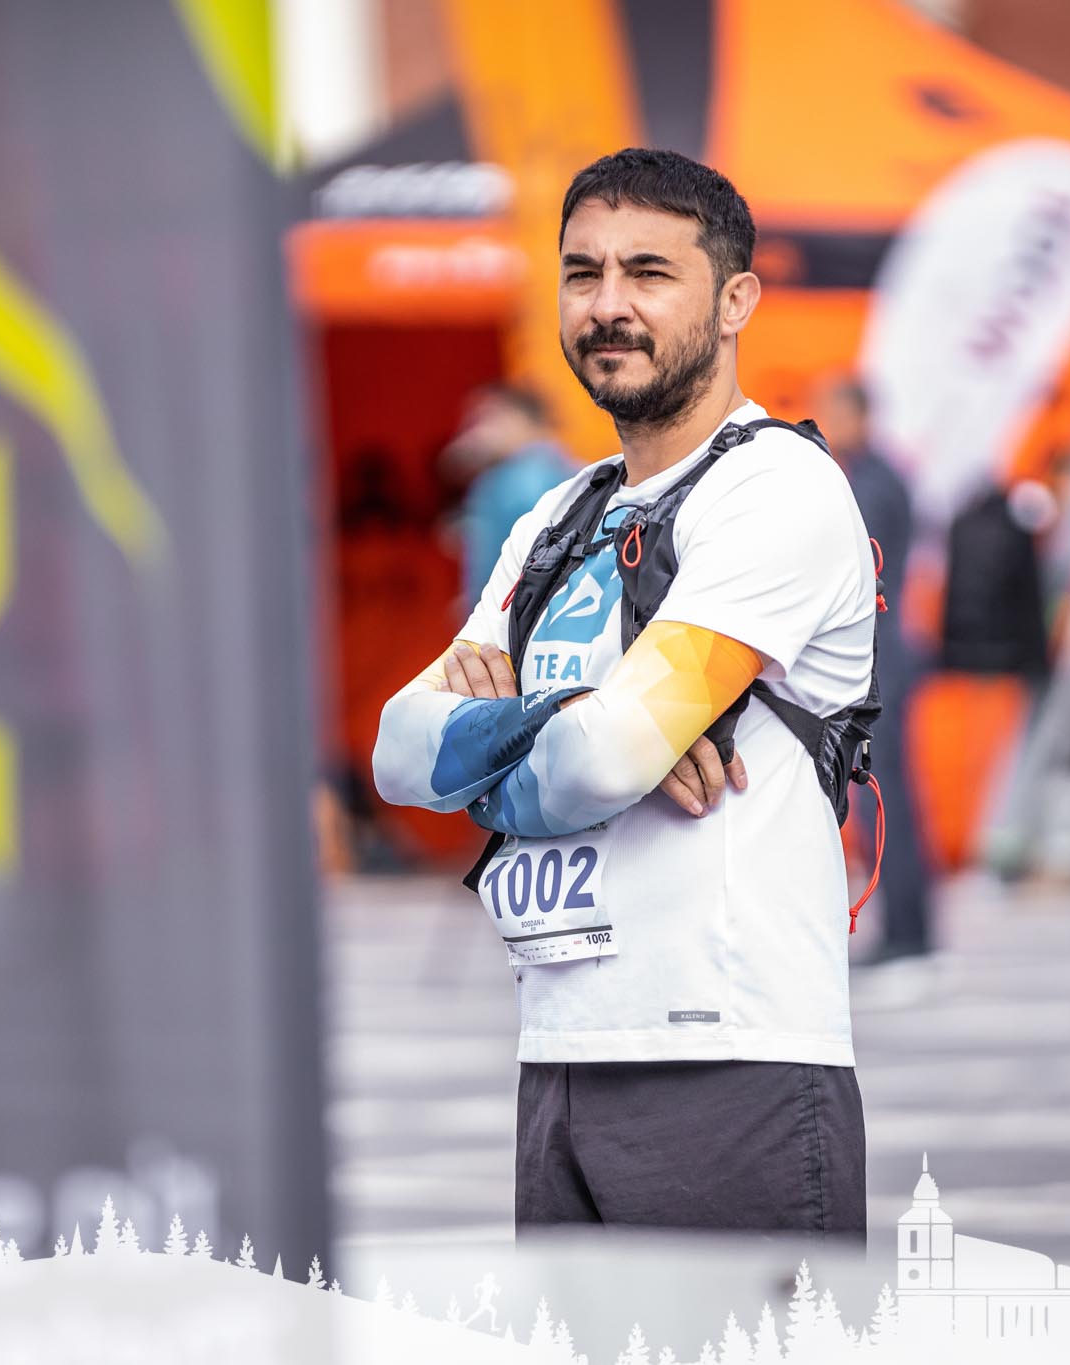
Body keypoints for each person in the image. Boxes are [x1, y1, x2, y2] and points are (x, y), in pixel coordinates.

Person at [372, 148, 876, 1236]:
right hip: (559, 1047)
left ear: (735, 301)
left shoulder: (776, 487)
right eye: (582, 273)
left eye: (649, 272)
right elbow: (398, 752)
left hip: (730, 1053)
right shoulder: (557, 514)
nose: (608, 305)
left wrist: (547, 741)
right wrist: (576, 723)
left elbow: (599, 760)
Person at [811, 376, 934, 965]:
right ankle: (907, 931)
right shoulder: (872, 475)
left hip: (880, 658)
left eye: (834, 411)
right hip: (882, 653)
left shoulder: (871, 483)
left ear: (859, 415)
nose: (827, 423)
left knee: (885, 798)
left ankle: (908, 935)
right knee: (885, 795)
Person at [445, 384, 576, 610]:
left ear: (518, 418)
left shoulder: (524, 477)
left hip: (516, 612)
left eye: (487, 419)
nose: (477, 432)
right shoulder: (565, 468)